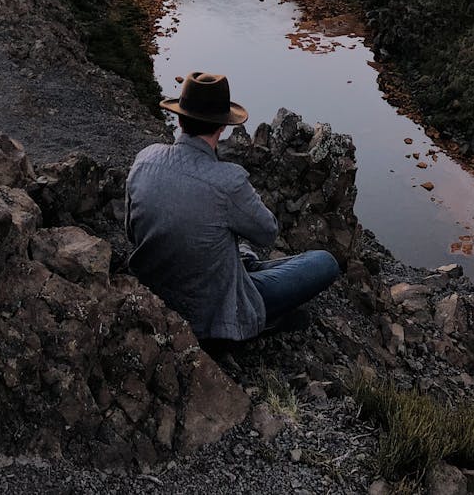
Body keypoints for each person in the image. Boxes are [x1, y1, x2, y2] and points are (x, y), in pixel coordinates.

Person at [124, 71, 340, 341]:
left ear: (179, 118)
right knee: (324, 262)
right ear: (222, 126)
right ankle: (261, 321)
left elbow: (132, 232)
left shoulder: (145, 158)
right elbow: (268, 232)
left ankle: (245, 270)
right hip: (208, 318)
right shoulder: (229, 181)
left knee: (236, 250)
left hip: (153, 295)